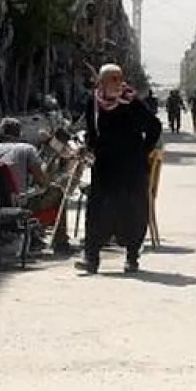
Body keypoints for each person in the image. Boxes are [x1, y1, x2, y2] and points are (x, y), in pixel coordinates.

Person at [79, 63, 162, 274]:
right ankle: (91, 258)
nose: (117, 83)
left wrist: (143, 151)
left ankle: (132, 258)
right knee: (98, 211)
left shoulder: (132, 102)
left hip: (131, 168)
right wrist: (90, 147)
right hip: (105, 168)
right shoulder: (94, 103)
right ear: (101, 82)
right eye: (112, 79)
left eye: (119, 78)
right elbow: (91, 130)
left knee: (132, 211)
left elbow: (154, 126)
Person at [0, 117, 72, 254]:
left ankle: (35, 236)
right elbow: (42, 181)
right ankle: (60, 242)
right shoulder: (27, 149)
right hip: (20, 202)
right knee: (57, 191)